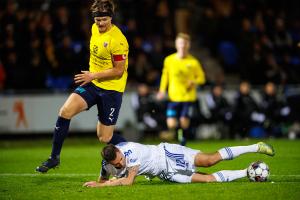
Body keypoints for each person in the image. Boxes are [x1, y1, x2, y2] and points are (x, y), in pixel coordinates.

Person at [36, 0, 129, 173]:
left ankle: (134, 150)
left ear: (111, 18)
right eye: (97, 20)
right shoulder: (94, 29)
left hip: (111, 90)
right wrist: (92, 76)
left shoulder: (118, 40)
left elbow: (118, 70)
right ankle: (54, 157)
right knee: (65, 111)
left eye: (104, 20)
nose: (100, 24)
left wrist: (93, 74)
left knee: (104, 137)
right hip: (93, 84)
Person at [83, 141, 275, 187]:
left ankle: (255, 147)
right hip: (164, 172)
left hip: (168, 155)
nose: (120, 165)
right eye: (116, 165)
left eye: (120, 161)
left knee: (209, 160)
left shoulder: (131, 152)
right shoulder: (108, 163)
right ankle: (248, 172)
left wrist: (106, 185)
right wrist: (99, 183)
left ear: (119, 151)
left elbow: (128, 181)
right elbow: (102, 177)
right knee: (208, 180)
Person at [156, 33, 206, 146]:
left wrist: (194, 81)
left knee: (184, 121)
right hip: (173, 97)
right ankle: (176, 135)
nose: (182, 45)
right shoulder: (169, 60)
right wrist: (162, 90)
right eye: (180, 43)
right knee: (171, 124)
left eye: (184, 43)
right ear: (176, 44)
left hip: (188, 97)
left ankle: (182, 140)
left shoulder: (193, 62)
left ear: (188, 45)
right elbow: (165, 76)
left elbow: (202, 78)